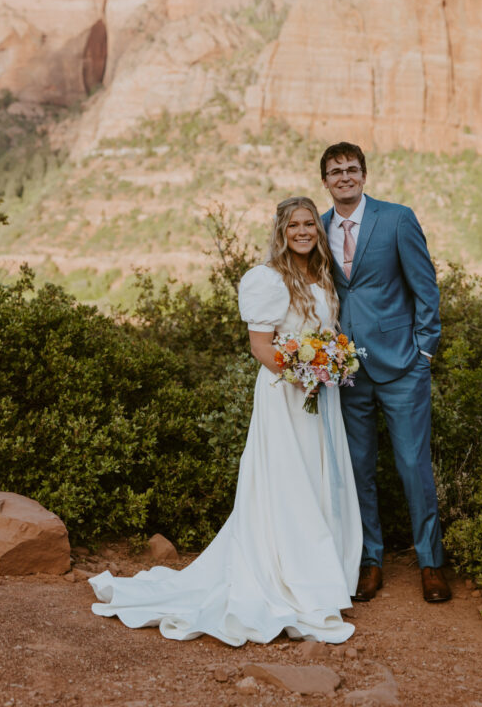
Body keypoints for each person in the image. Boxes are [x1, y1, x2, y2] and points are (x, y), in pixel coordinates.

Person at [90, 196, 362, 644]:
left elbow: (327, 335)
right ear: (280, 230)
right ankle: (293, 577)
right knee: (287, 483)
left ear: (319, 228)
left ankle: (324, 575)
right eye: (293, 224)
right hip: (286, 394)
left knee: (317, 478)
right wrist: (306, 372)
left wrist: (330, 365)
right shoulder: (268, 279)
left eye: (309, 223)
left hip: (320, 395)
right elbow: (261, 347)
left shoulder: (324, 276)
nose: (302, 231)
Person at [320, 142, 450, 603]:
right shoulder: (316, 228)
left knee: (413, 466)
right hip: (347, 372)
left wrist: (424, 352)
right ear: (326, 182)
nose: (345, 177)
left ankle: (431, 563)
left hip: (402, 367)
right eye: (335, 172)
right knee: (357, 469)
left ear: (364, 175)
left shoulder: (397, 219)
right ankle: (369, 560)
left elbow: (425, 287)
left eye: (352, 169)